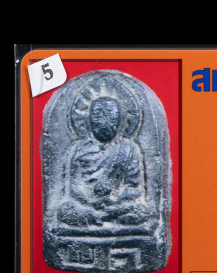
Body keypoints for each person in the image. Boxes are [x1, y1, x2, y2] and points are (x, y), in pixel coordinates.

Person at [57, 96, 150, 228]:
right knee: (64, 210)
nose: (104, 122)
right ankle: (100, 217)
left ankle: (98, 218)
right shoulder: (80, 149)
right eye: (97, 117)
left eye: (111, 117)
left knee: (143, 211)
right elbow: (74, 188)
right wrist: (89, 201)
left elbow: (135, 189)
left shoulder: (128, 149)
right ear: (88, 120)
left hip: (117, 205)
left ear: (120, 120)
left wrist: (115, 199)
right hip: (87, 205)